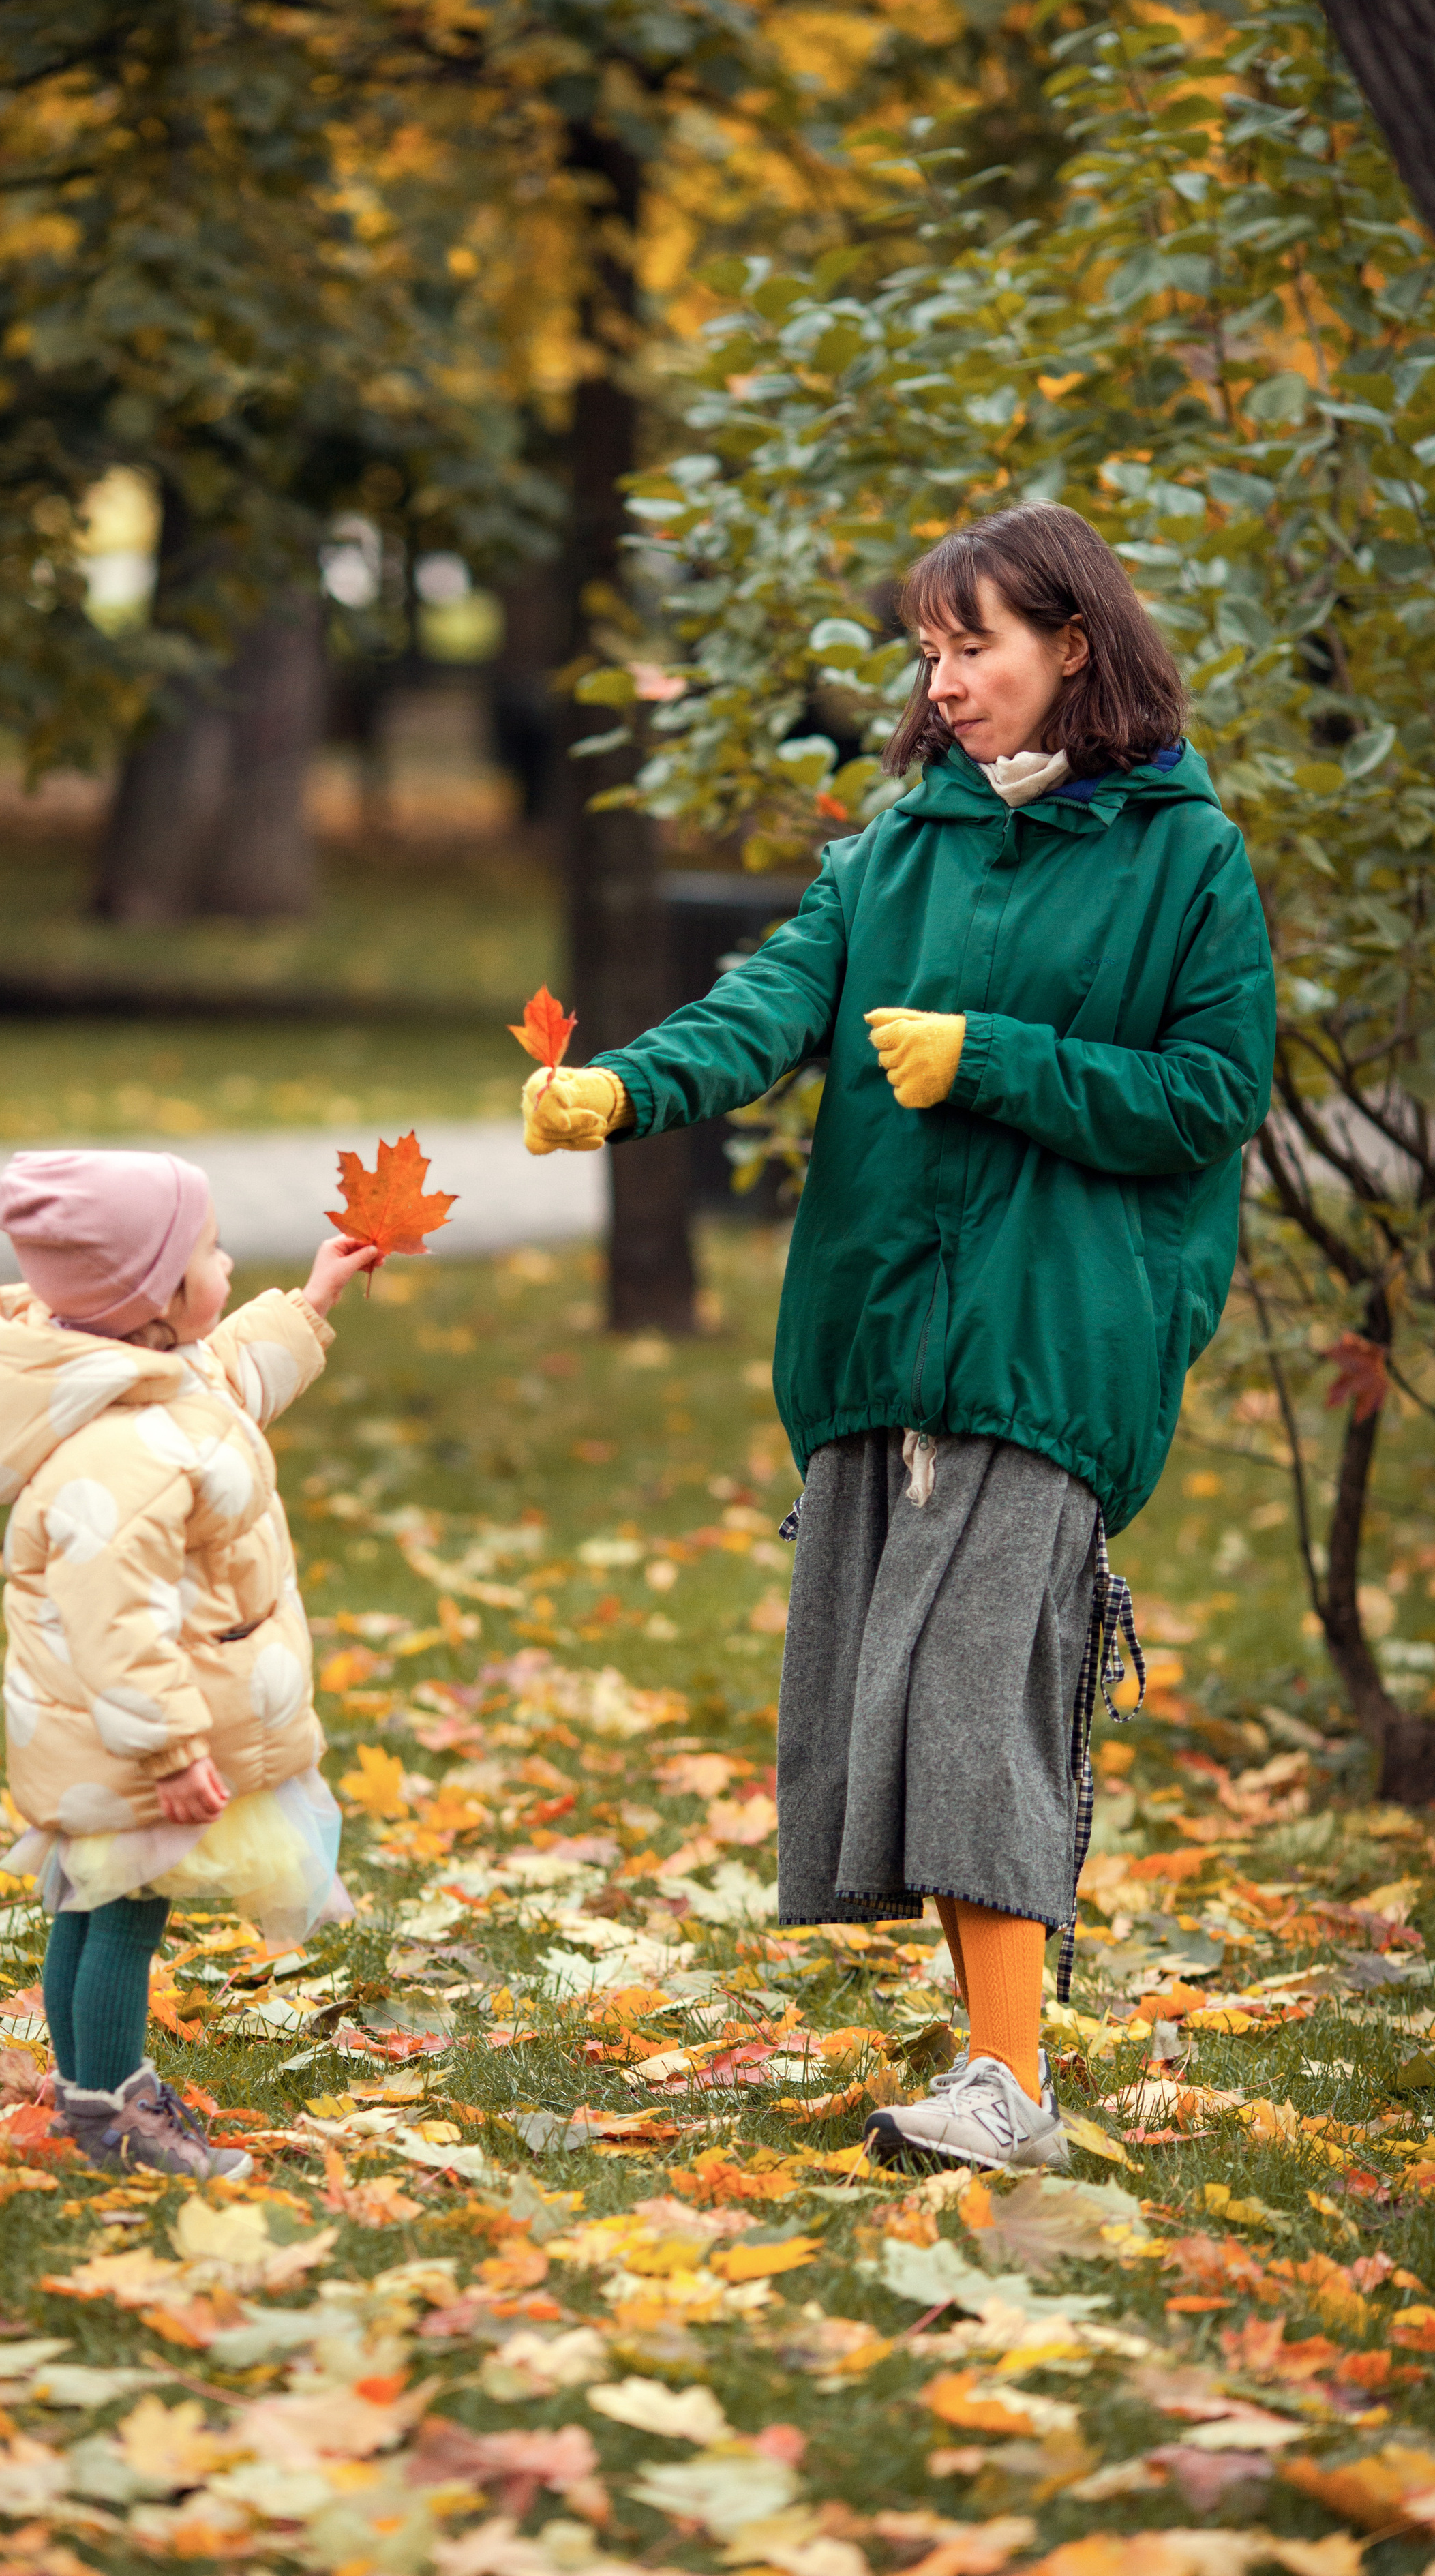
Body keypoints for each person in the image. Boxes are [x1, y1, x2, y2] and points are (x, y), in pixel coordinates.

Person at [523, 500, 1276, 2172]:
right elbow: (767, 1003)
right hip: (881, 1328)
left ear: (1071, 646)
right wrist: (625, 1091)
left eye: (970, 647)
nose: (938, 682)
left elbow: (1212, 1096)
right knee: (915, 1702)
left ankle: (1007, 2086)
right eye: (926, 652)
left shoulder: (1183, 858)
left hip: (1053, 1339)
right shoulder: (894, 851)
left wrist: (991, 1059)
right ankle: (992, 2072)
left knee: (966, 1689)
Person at [0, 1148, 373, 2178]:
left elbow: (225, 1382)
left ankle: (88, 2099)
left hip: (107, 1730)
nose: (226, 1265)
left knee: (94, 1903)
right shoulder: (119, 1453)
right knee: (122, 1914)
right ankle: (117, 2119)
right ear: (155, 1295)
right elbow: (118, 1627)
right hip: (132, 1734)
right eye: (210, 1253)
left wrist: (312, 1302)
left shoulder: (147, 1380)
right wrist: (173, 1751)